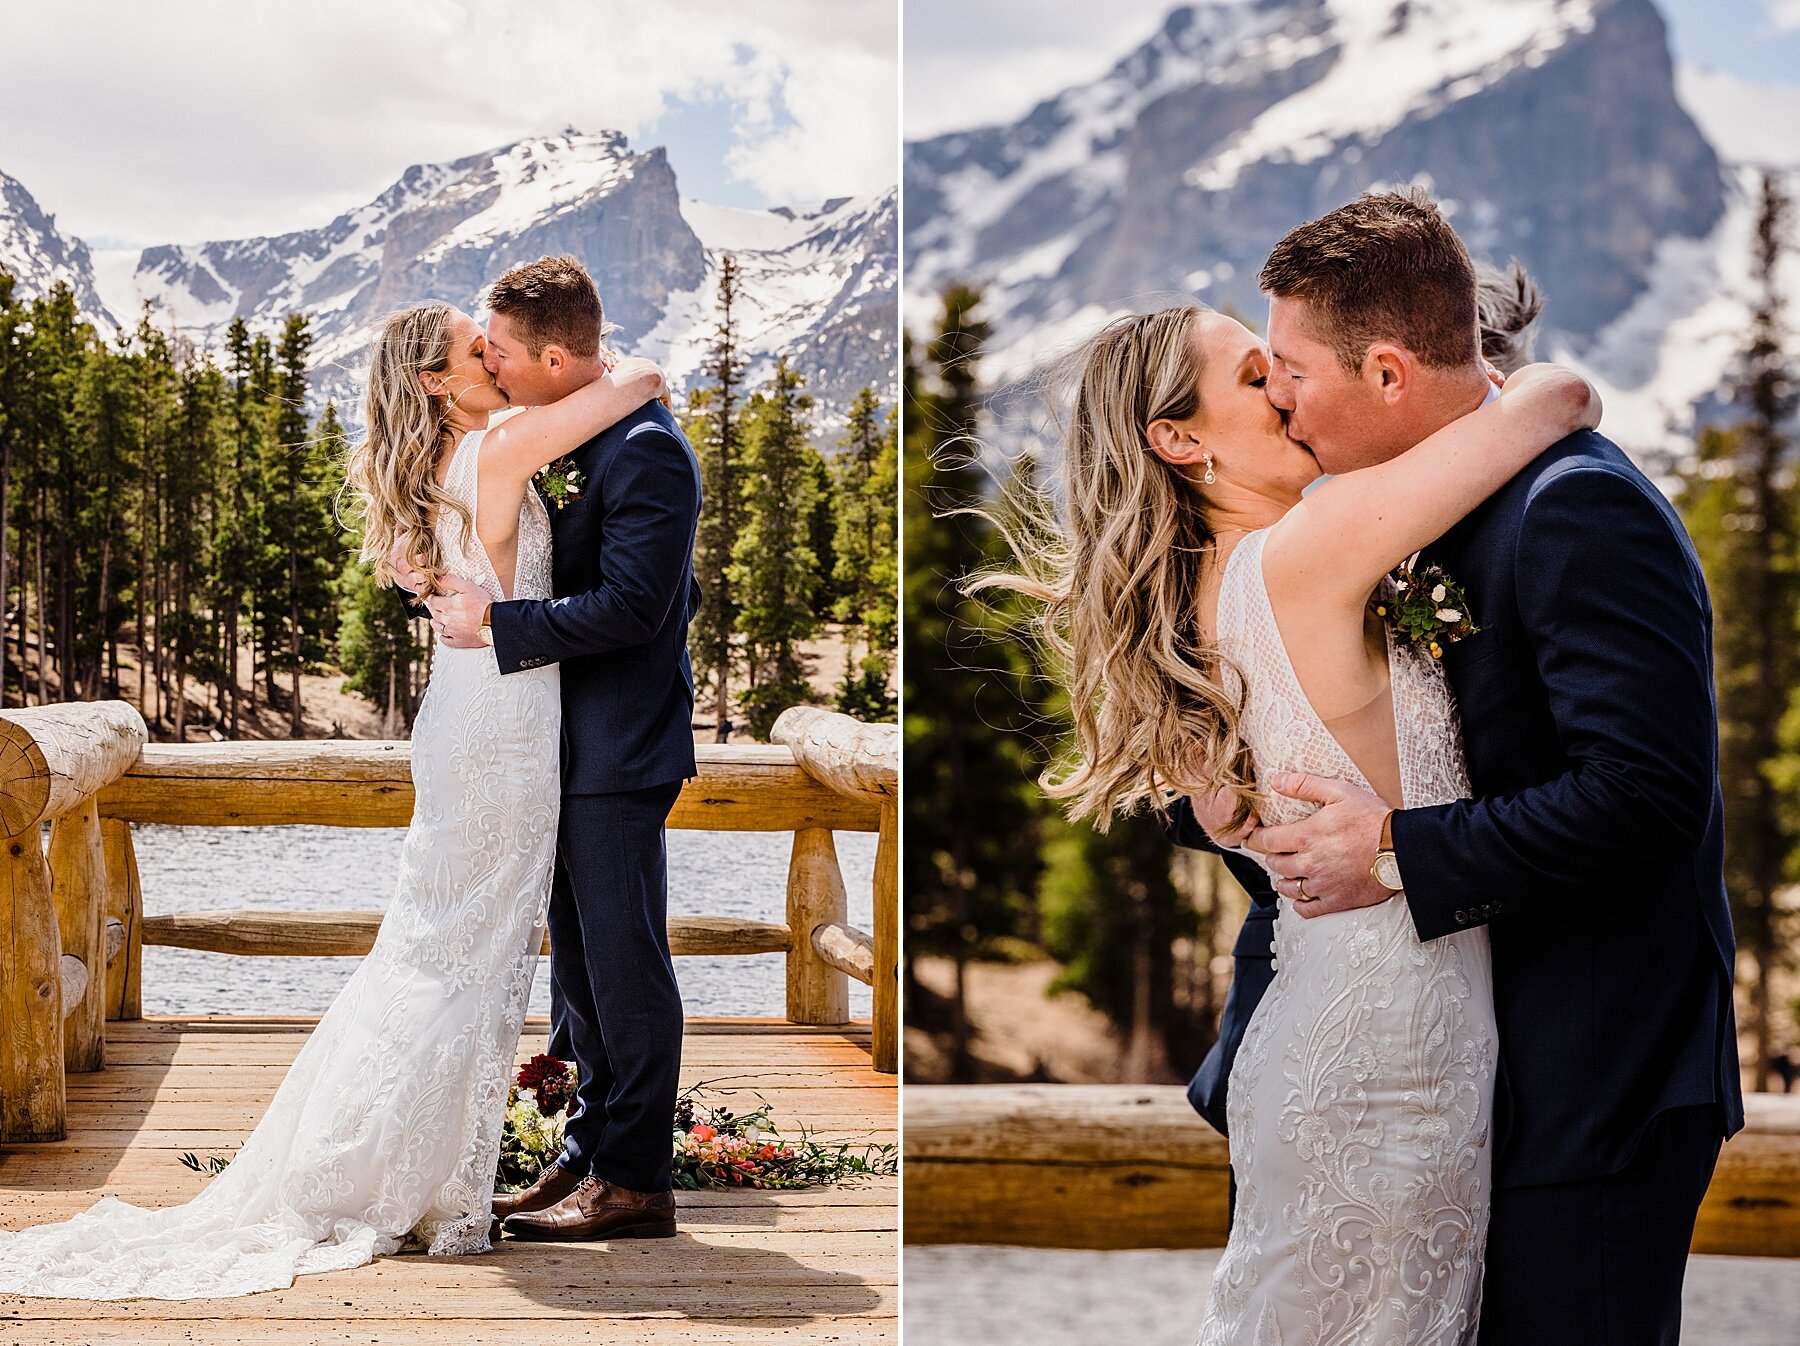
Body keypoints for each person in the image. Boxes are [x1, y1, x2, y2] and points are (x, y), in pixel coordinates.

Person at [974, 189, 1625, 1341]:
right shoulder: (1315, 547)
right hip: (1396, 1045)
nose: (1283, 388)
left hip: (1316, 1033)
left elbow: (1223, 813)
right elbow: (1563, 397)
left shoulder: (1182, 608)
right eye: (1251, 375)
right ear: (1178, 440)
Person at [0, 298, 664, 1298]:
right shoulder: (488, 455)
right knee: (458, 949)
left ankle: (406, 1161)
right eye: (471, 350)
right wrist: (593, 359)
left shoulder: (446, 465)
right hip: (499, 727)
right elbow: (640, 378)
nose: (491, 356)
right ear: (437, 382)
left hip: (476, 713)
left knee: (439, 941)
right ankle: (415, 1173)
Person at [422, 256, 703, 1243]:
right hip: (563, 744)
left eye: (499, 349)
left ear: (550, 355)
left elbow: (637, 606)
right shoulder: (585, 429)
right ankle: (583, 1156)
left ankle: (634, 1178)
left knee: (626, 963)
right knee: (579, 970)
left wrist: (504, 625)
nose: (490, 363)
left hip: (622, 745)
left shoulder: (646, 453)